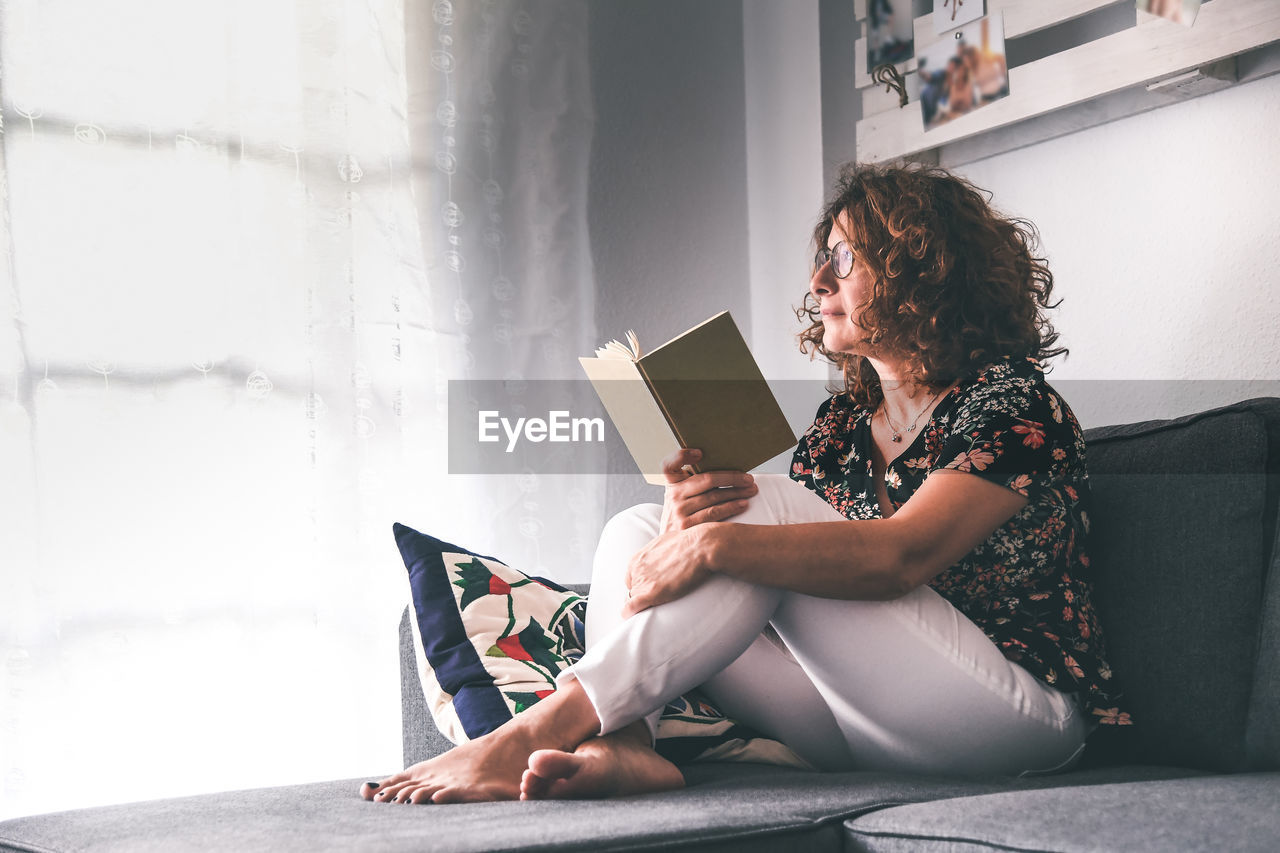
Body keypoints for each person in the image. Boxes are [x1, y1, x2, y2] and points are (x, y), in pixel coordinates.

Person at [360, 163, 1131, 805]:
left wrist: (721, 541)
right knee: (636, 525)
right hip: (856, 716)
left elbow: (900, 556)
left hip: (1016, 713)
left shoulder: (1012, 401)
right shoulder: (839, 428)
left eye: (841, 258)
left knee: (761, 518)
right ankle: (627, 739)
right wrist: (681, 527)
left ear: (916, 268)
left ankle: (536, 728)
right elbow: (754, 608)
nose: (815, 280)